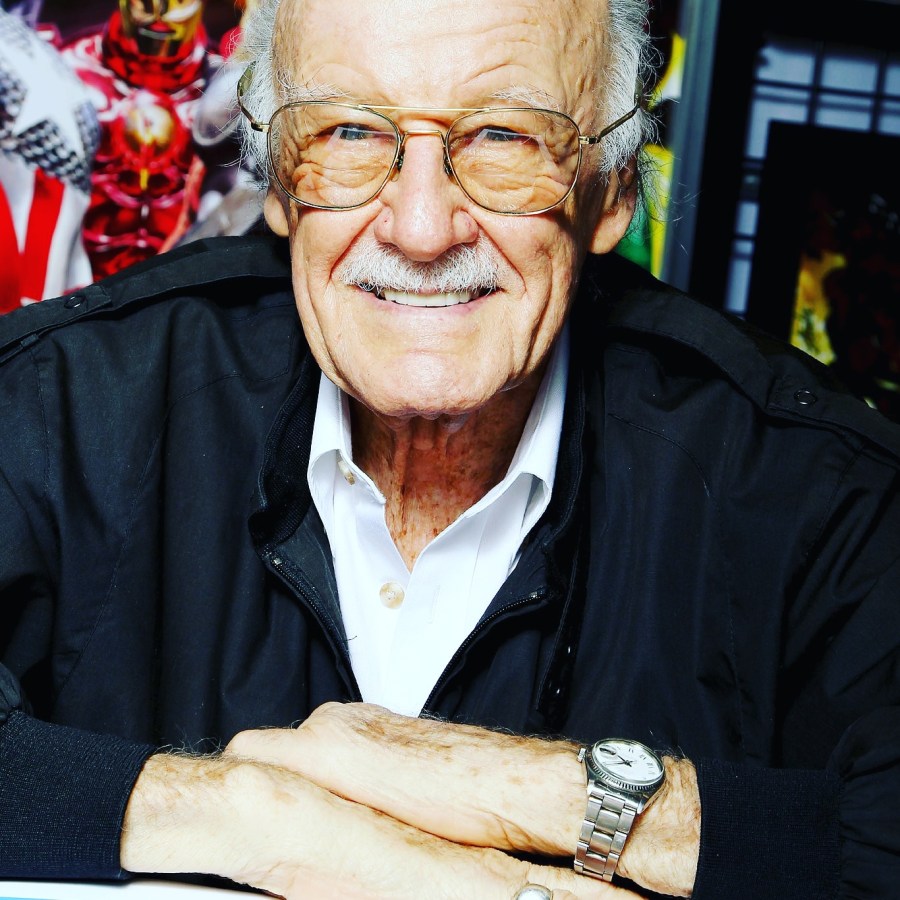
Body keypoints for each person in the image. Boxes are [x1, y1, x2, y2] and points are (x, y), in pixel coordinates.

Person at [0, 0, 897, 898]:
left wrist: (529, 793)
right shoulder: (64, 402)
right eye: (349, 132)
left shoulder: (817, 492)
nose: (422, 229)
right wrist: (248, 814)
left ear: (614, 191)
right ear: (276, 181)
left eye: (505, 137)